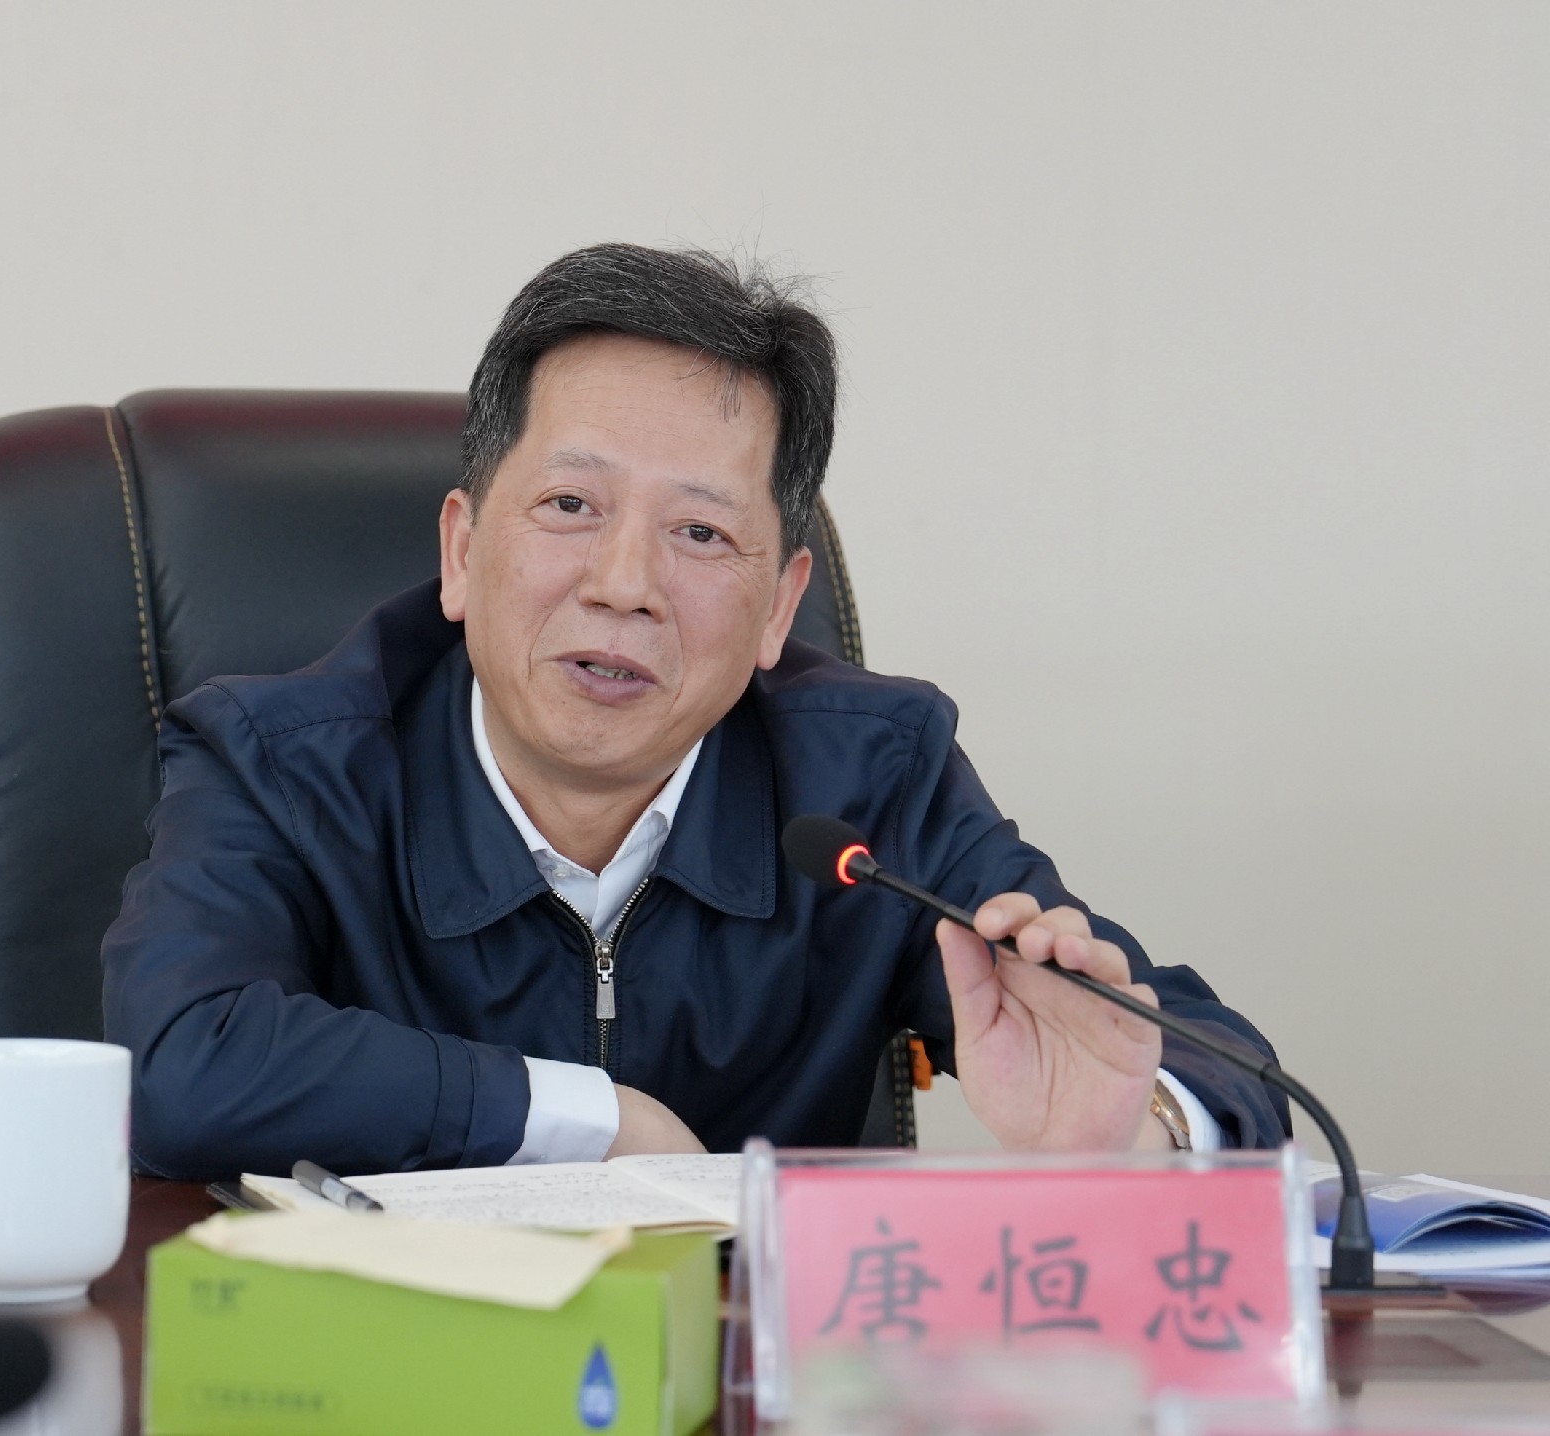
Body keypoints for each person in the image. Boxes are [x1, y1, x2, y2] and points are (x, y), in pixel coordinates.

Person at [101, 243, 1288, 1179]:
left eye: (702, 532)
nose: (625, 583)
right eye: (571, 504)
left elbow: (1204, 1054)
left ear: (779, 607)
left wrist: (1135, 1131)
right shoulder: (277, 764)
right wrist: (592, 1120)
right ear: (461, 551)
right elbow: (174, 1060)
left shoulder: (871, 780)